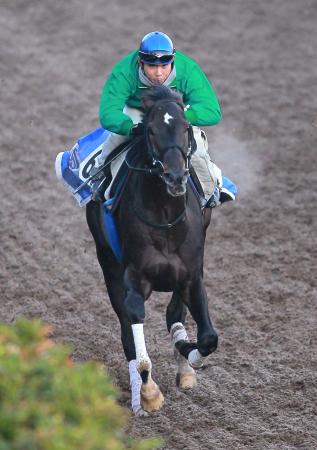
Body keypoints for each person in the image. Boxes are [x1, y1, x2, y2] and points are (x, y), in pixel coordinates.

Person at [91, 31, 234, 206]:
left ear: (172, 60)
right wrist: (129, 127)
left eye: (164, 66)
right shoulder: (123, 71)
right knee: (117, 138)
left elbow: (212, 111)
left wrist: (181, 117)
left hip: (177, 114)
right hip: (139, 112)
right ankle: (98, 176)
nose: (159, 73)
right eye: (152, 66)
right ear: (140, 62)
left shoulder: (188, 69)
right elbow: (108, 112)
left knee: (195, 145)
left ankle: (211, 189)